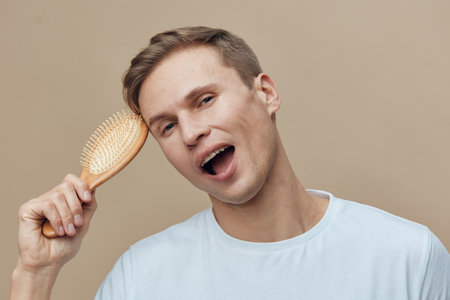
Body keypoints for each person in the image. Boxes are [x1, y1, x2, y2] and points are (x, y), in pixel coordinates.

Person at [9, 26, 449, 300]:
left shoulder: (406, 255)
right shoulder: (142, 278)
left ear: (267, 93)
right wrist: (36, 273)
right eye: (165, 126)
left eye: (205, 100)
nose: (189, 132)